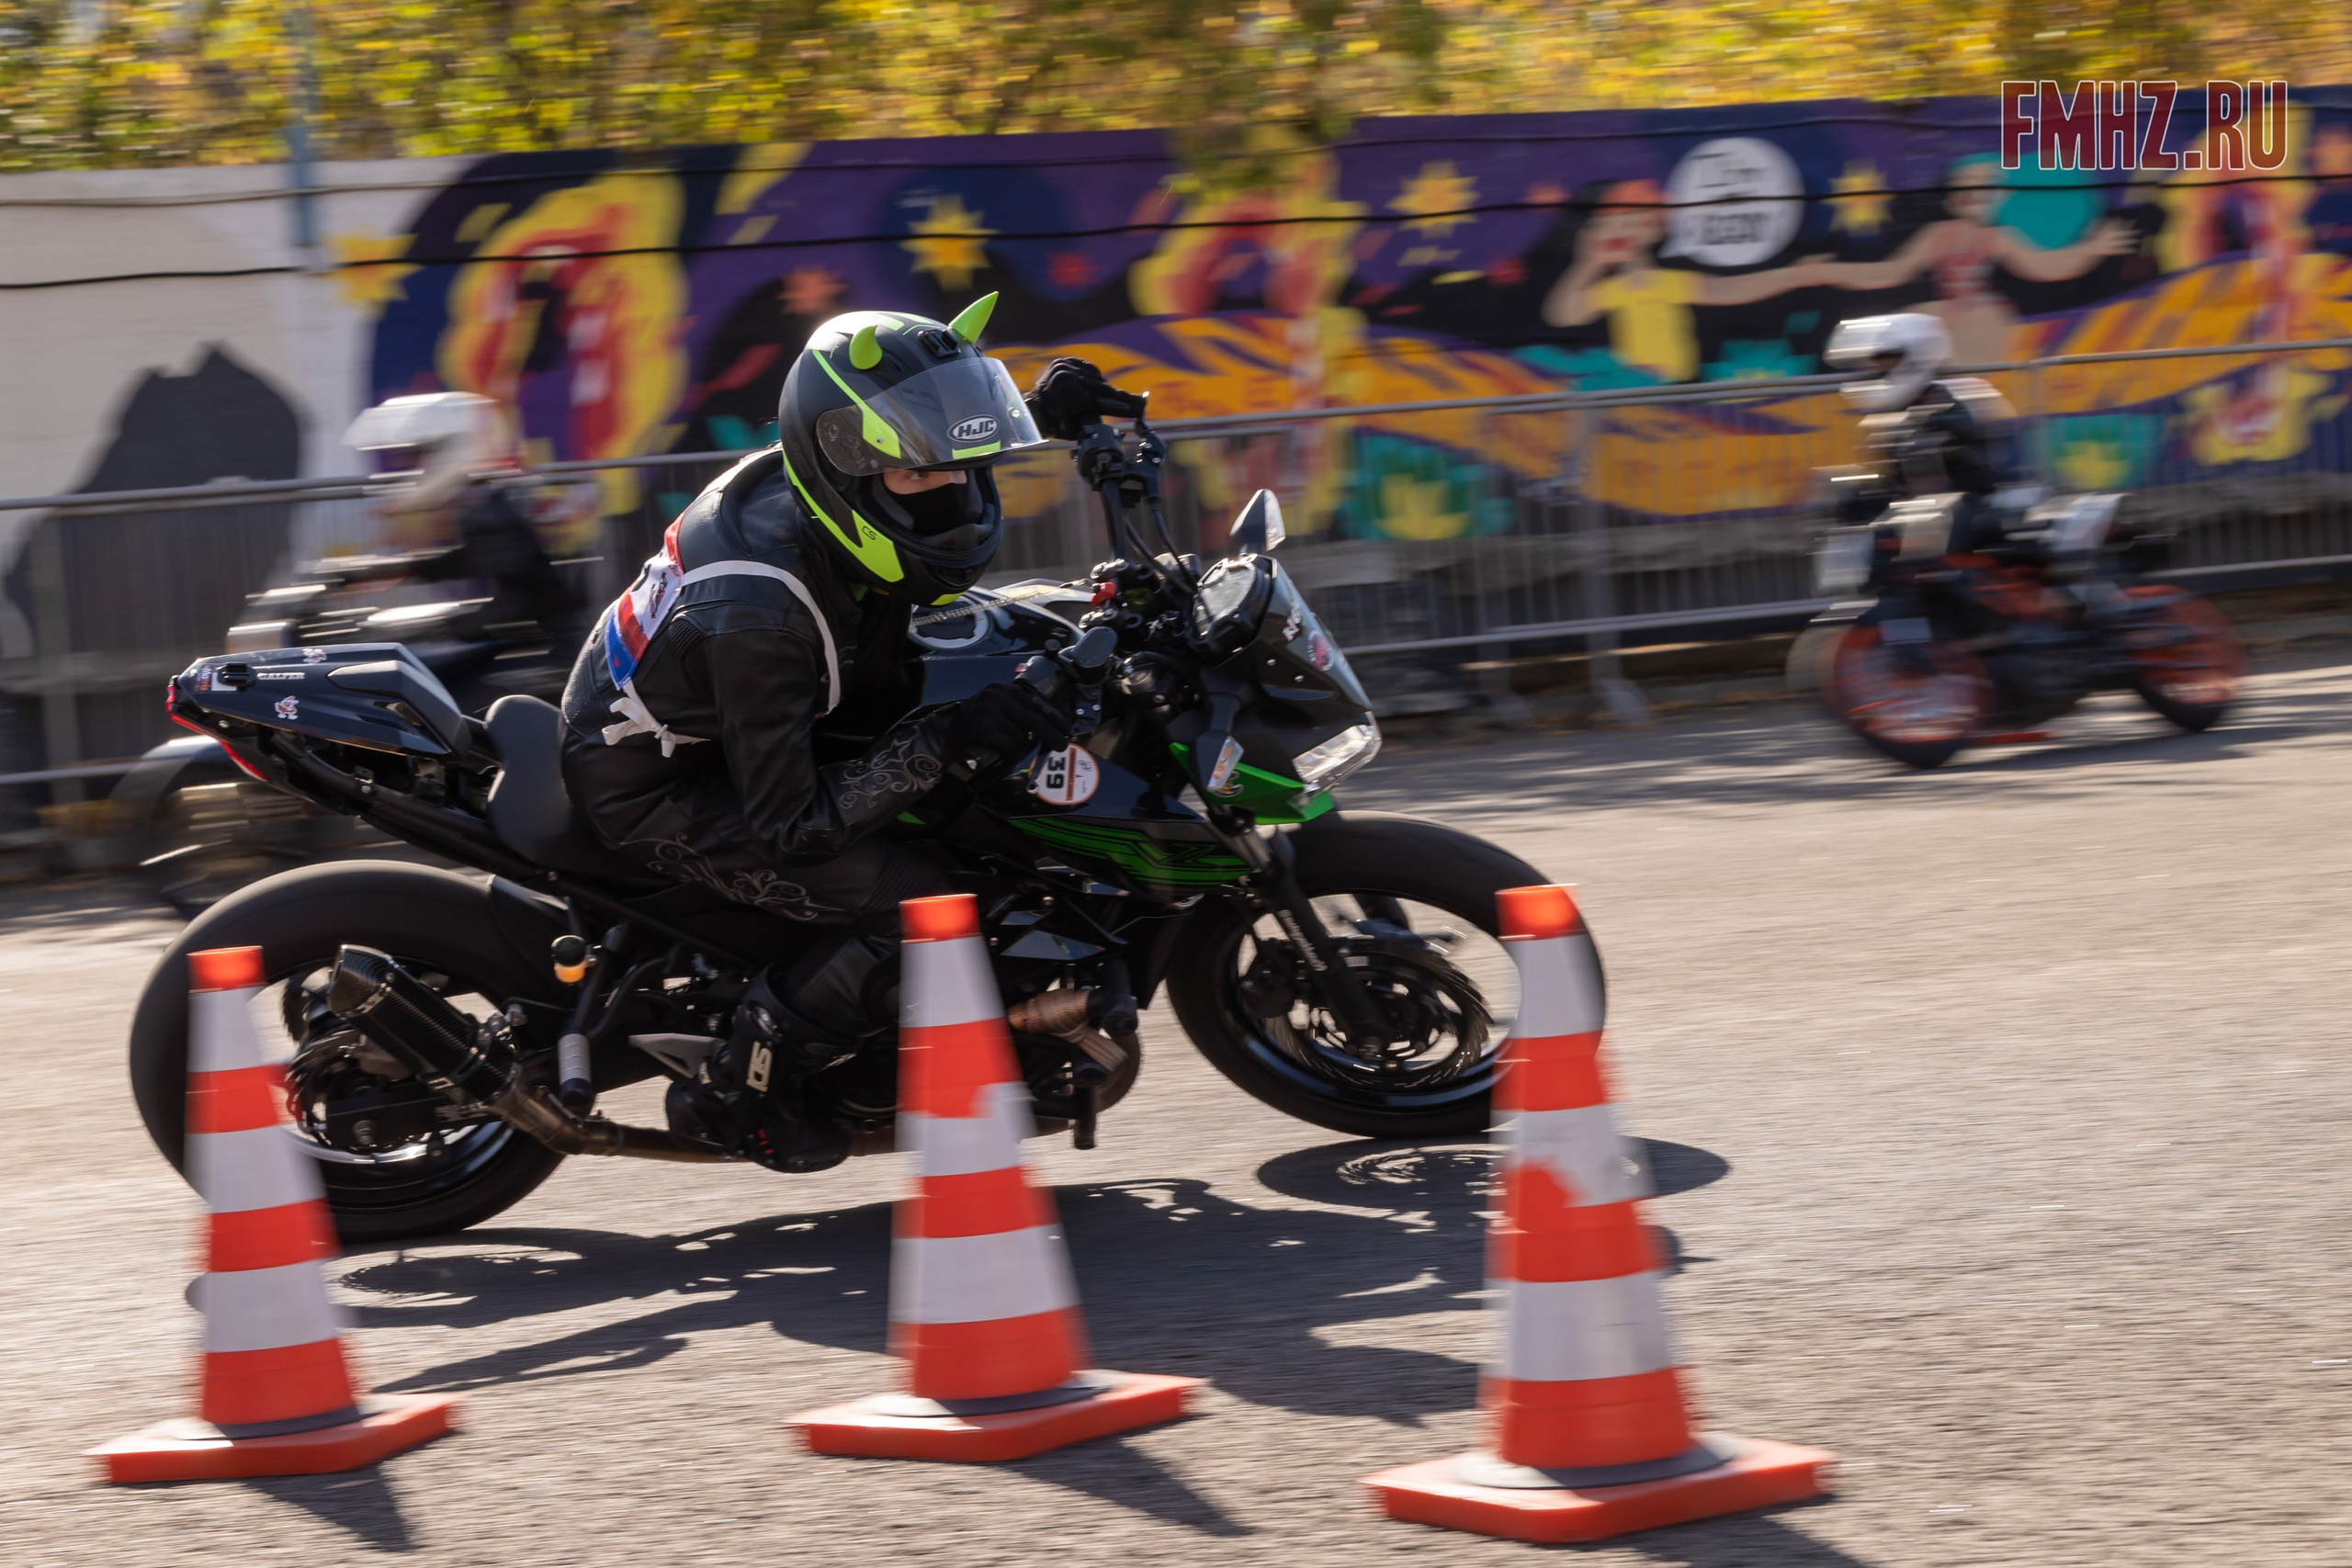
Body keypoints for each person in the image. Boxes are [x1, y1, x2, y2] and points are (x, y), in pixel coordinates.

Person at [558, 299, 1136, 1171]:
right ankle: (740, 1083)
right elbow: (794, 827)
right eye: (920, 478)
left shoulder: (822, 482)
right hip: (662, 783)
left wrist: (1033, 417)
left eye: (961, 469)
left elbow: (918, 442)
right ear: (850, 474)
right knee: (925, 910)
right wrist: (947, 739)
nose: (951, 494)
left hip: (756, 712)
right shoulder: (758, 613)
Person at [344, 390, 582, 640]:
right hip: (536, 625)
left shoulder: (495, 505)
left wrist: (452, 626)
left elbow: (516, 590)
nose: (422, 465)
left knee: (427, 645)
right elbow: (465, 560)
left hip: (551, 635)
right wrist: (387, 570)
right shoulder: (483, 498)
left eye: (426, 453)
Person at [1822, 312, 2018, 554]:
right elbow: (1888, 477)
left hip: (1974, 499)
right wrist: (1852, 503)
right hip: (1918, 507)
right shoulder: (1891, 411)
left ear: (1916, 356)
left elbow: (1970, 437)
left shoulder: (1958, 395)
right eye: (1877, 360)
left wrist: (1932, 426)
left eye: (1888, 358)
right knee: (1862, 517)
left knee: (1949, 532)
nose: (1880, 367)